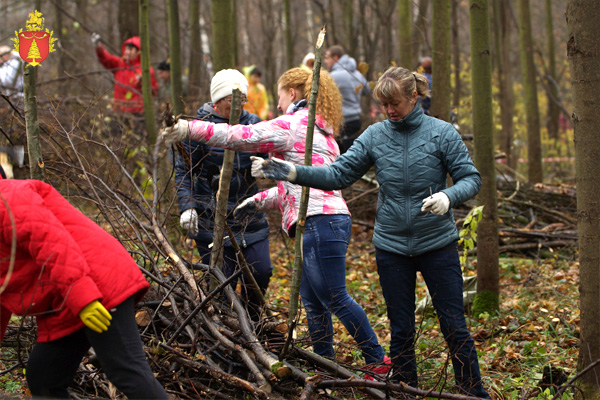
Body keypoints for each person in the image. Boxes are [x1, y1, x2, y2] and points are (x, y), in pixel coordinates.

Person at [250, 66, 491, 397]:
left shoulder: (442, 133)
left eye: (395, 104)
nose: (389, 111)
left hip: (438, 244)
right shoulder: (375, 135)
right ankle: (405, 391)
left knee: (454, 325)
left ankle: (473, 392)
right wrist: (291, 171)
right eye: (384, 104)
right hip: (392, 247)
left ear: (414, 97)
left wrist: (448, 197)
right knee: (401, 328)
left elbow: (471, 178)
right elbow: (337, 175)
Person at [161, 67, 390, 377]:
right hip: (322, 221)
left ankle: (377, 359)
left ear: (292, 94)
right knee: (313, 301)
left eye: (281, 96)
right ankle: (325, 363)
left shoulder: (293, 125)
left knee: (333, 296)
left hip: (320, 223)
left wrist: (188, 128)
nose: (279, 104)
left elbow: (238, 135)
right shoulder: (321, 132)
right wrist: (254, 202)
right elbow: (294, 188)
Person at [0, 177, 168, 399]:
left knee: (127, 371)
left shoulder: (10, 197)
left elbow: (52, 244)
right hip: (65, 300)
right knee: (43, 378)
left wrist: (84, 299)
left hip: (98, 283)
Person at [173, 68, 273, 321]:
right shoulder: (199, 129)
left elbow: (269, 158)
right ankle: (226, 327)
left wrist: (265, 167)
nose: (240, 105)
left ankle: (251, 321)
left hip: (249, 215)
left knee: (260, 272)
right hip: (211, 218)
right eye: (233, 100)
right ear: (218, 100)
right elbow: (184, 170)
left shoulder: (253, 123)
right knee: (222, 280)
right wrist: (187, 206)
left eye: (243, 100)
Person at [91, 33, 158, 114]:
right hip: (119, 111)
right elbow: (106, 59)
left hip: (137, 114)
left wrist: (143, 82)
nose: (127, 52)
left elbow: (154, 90)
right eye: (126, 49)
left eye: (130, 49)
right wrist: (98, 47)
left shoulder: (145, 69)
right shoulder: (120, 63)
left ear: (138, 52)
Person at [323, 45, 371, 154]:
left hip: (342, 124)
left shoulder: (333, 76)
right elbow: (368, 90)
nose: (325, 61)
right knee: (355, 157)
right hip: (356, 122)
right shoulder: (357, 74)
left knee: (342, 159)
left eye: (327, 58)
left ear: (335, 58)